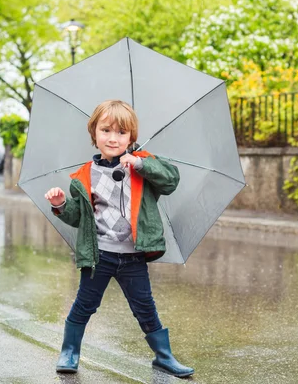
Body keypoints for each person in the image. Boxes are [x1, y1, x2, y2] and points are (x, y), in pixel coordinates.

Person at [44, 99, 193, 378]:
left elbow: (171, 180)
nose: (113, 138)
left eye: (121, 133)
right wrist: (62, 204)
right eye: (106, 131)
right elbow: (79, 216)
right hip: (99, 255)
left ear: (131, 137)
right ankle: (69, 351)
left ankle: (164, 356)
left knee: (145, 307)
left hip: (133, 255)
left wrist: (140, 164)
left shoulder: (143, 163)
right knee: (84, 305)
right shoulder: (84, 175)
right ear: (94, 134)